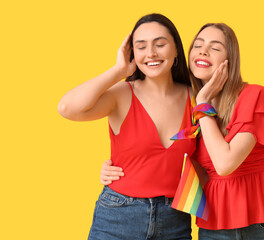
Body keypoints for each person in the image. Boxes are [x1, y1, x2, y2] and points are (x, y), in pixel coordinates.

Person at [100, 22, 264, 239]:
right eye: (198, 45)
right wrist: (116, 168)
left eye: (216, 47)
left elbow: (224, 164)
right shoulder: (191, 105)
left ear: (230, 59)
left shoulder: (253, 95)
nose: (203, 51)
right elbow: (184, 167)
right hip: (214, 227)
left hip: (262, 224)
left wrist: (202, 102)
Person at [58, 13, 197, 240]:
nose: (150, 53)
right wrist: (118, 71)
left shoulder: (196, 98)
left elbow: (215, 155)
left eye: (160, 44)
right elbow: (67, 108)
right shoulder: (123, 94)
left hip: (175, 220)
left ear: (176, 50)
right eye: (141, 47)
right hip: (118, 216)